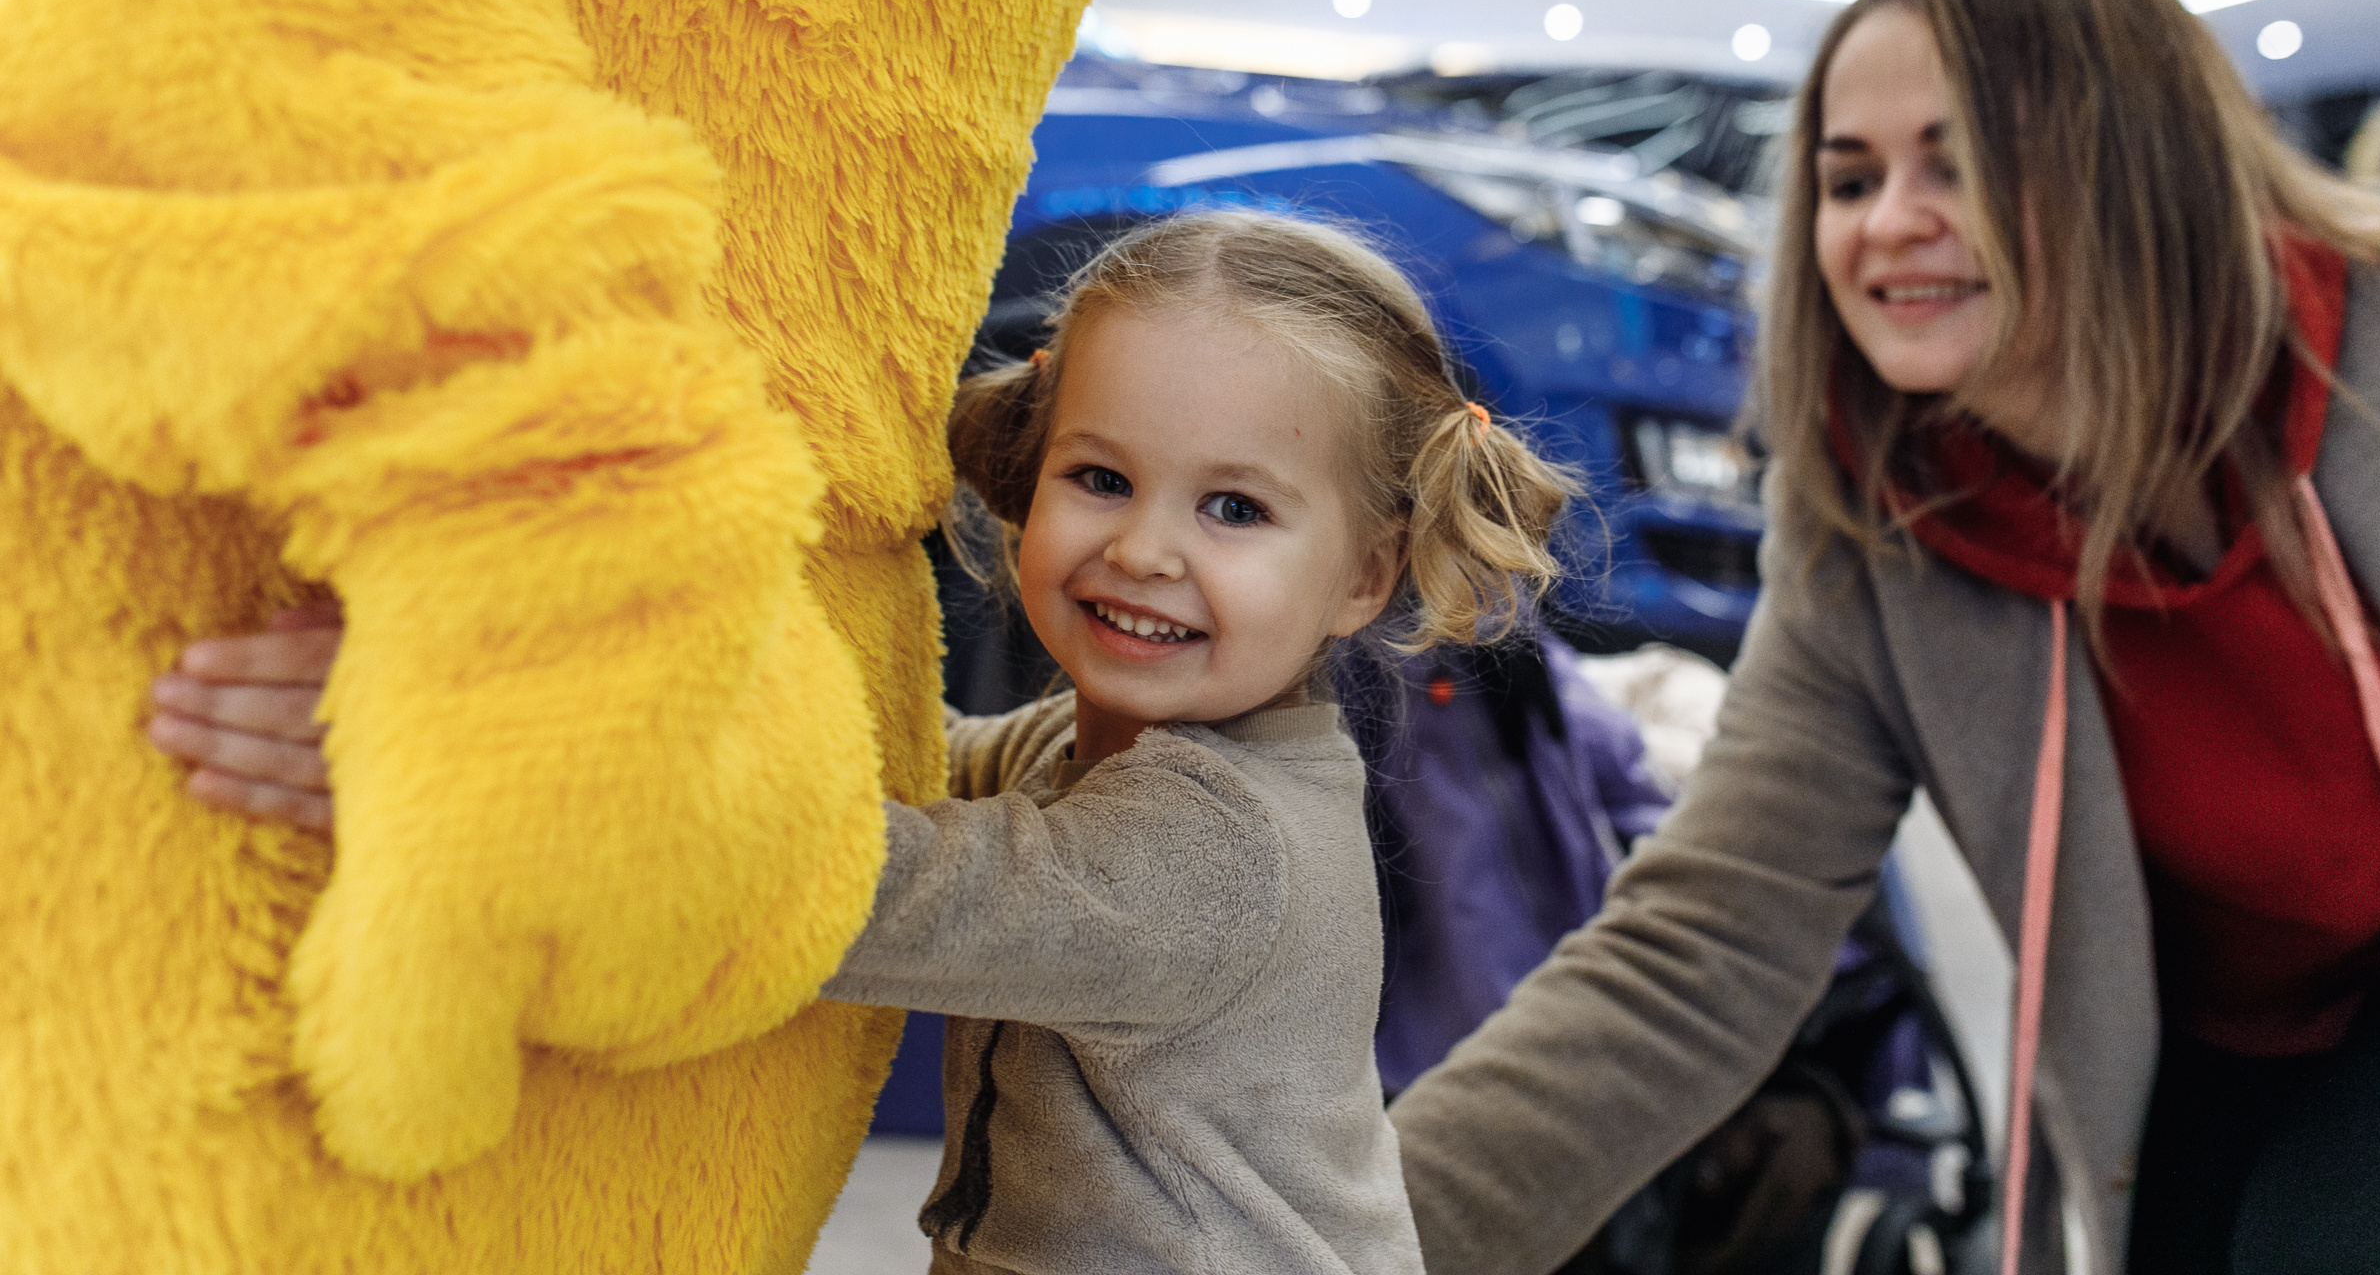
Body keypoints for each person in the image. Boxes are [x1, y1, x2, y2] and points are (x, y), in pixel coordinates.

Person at [148, 209, 1580, 1275]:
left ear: (1364, 576)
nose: (1143, 547)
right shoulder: (1076, 760)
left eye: (1234, 510)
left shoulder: (1213, 856)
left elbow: (838, 886)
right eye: (1101, 477)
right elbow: (899, 763)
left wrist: (469, 763)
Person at [1378, 0, 2380, 1275]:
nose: (1885, 222)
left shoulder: (2370, 340)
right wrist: (1336, 1239)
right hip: (2220, 1043)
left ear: (2133, 162)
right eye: (1848, 179)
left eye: (1960, 164)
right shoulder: (1874, 520)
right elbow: (1704, 948)